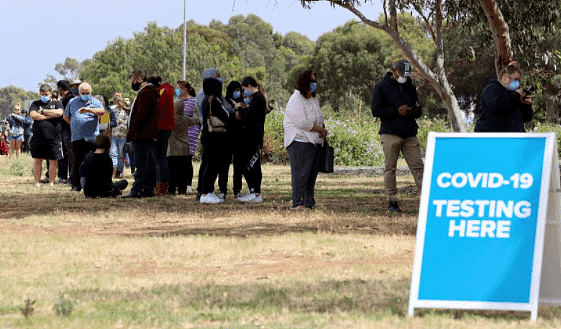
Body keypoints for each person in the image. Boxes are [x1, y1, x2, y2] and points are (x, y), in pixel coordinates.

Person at [371, 59, 424, 213]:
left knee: (418, 167)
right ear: (394, 70)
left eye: (407, 75)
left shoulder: (411, 88)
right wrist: (396, 110)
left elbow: (419, 110)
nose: (404, 77)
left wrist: (414, 111)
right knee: (390, 168)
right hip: (390, 133)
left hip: (409, 133)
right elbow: (376, 110)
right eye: (402, 74)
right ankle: (392, 200)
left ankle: (426, 198)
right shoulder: (382, 87)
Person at [283, 70, 327, 210]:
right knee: (300, 174)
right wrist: (319, 129)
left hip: (313, 142)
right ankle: (297, 202)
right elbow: (302, 123)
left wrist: (321, 130)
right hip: (299, 141)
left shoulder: (313, 100)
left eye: (315, 81)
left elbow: (319, 118)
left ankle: (309, 201)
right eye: (311, 81)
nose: (314, 84)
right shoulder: (296, 99)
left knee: (311, 174)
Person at [123, 69, 160, 198]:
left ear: (139, 79)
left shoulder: (146, 93)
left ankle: (137, 190)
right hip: (146, 134)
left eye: (132, 80)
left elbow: (140, 115)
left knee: (141, 164)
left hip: (142, 134)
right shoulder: (147, 92)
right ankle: (148, 189)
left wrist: (133, 131)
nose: (132, 83)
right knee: (148, 163)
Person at [63, 82, 106, 192]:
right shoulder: (72, 102)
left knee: (91, 162)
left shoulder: (96, 102)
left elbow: (102, 112)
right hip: (77, 138)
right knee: (77, 162)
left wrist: (89, 110)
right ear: (79, 92)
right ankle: (76, 185)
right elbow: (66, 117)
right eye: (83, 93)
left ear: (91, 92)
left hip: (92, 138)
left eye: (87, 93)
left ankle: (91, 184)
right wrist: (75, 124)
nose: (85, 95)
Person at [232, 76, 268, 203]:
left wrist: (239, 108)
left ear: (249, 86)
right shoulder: (257, 98)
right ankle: (253, 190)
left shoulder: (258, 98)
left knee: (253, 165)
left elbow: (249, 116)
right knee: (251, 164)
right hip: (252, 135)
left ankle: (255, 192)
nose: (244, 92)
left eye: (244, 89)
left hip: (254, 136)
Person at [199, 77, 233, 204]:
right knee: (212, 165)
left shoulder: (205, 99)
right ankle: (205, 192)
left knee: (210, 164)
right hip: (215, 137)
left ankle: (208, 191)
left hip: (208, 136)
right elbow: (227, 114)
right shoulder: (215, 100)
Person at [474, 61, 533, 132]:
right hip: (492, 138)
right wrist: (516, 95)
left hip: (514, 138)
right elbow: (498, 106)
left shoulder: (514, 95)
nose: (517, 83)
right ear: (505, 77)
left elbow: (526, 118)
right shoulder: (492, 88)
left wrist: (527, 105)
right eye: (515, 80)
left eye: (519, 81)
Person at [29, 84, 64, 188]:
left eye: (46, 94)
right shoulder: (35, 103)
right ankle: (37, 182)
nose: (44, 96)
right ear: (40, 93)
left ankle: (52, 183)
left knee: (53, 161)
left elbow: (59, 113)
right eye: (42, 94)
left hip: (54, 138)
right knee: (37, 160)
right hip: (38, 138)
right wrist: (49, 116)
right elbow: (33, 115)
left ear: (50, 93)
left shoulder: (57, 103)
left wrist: (44, 112)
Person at [195, 68, 222, 200]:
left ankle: (204, 190)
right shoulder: (205, 96)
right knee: (209, 164)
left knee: (208, 163)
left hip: (208, 131)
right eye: (217, 76)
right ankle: (204, 191)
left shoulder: (208, 96)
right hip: (209, 131)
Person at [148, 76, 175, 196]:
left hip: (158, 128)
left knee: (158, 160)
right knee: (162, 159)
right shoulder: (167, 91)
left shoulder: (159, 93)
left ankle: (160, 187)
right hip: (167, 127)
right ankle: (162, 186)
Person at [168, 92, 199, 195]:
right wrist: (195, 110)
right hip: (184, 149)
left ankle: (172, 189)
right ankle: (182, 190)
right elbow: (195, 120)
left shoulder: (170, 119)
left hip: (172, 150)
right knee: (182, 172)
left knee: (172, 171)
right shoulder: (185, 119)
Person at [224, 81, 248, 199]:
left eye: (239, 90)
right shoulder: (225, 102)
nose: (237, 93)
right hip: (228, 137)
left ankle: (237, 190)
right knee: (225, 165)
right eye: (235, 90)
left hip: (240, 138)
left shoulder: (243, 103)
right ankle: (223, 189)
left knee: (239, 166)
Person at [177, 80, 199, 194]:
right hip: (178, 134)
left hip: (190, 133)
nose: (177, 91)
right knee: (179, 160)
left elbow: (194, 118)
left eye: (178, 88)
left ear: (184, 89)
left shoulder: (194, 101)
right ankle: (179, 183)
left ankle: (188, 184)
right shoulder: (177, 101)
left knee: (187, 160)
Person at [57, 80, 75, 184]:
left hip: (68, 131)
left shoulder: (67, 100)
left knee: (67, 154)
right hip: (70, 130)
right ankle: (69, 177)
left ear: (60, 88)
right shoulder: (73, 99)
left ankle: (67, 177)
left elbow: (65, 116)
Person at [109, 98, 129, 178]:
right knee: (113, 153)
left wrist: (122, 123)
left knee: (121, 154)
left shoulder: (126, 111)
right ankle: (113, 172)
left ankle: (119, 172)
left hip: (123, 135)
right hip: (114, 134)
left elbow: (127, 122)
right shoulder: (112, 110)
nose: (120, 104)